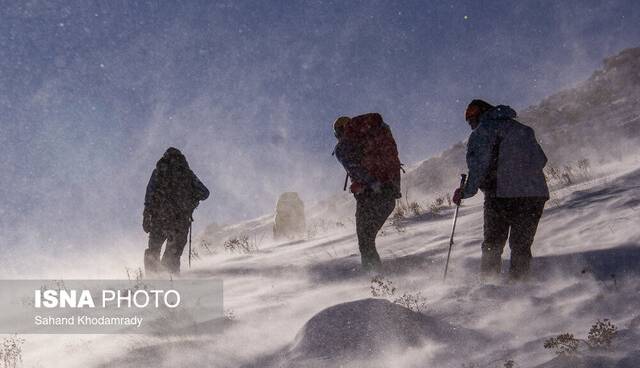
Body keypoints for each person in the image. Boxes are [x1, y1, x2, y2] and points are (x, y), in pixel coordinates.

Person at [453, 99, 549, 280]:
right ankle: (520, 288)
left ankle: (488, 288)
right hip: (534, 194)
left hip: (501, 195)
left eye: (471, 117)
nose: (470, 123)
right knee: (521, 246)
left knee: (492, 245)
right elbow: (541, 160)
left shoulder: (482, 132)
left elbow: (478, 168)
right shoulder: (523, 129)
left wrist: (465, 192)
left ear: (482, 113)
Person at [333, 113, 402, 271]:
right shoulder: (372, 138)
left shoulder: (343, 147)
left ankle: (374, 280)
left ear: (338, 132)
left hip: (371, 197)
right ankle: (377, 279)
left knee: (365, 241)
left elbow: (358, 172)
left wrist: (367, 185)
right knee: (368, 239)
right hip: (389, 193)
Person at [143, 147, 210, 275]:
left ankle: (151, 280)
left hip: (159, 219)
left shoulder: (158, 172)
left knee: (153, 250)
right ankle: (170, 279)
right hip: (179, 221)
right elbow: (205, 193)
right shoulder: (187, 174)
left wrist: (147, 215)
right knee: (173, 254)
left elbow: (149, 195)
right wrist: (191, 199)